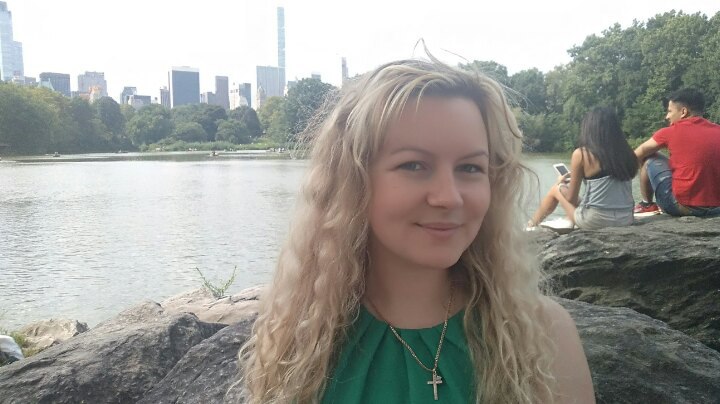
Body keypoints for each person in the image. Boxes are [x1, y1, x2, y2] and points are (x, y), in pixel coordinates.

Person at [235, 56, 595, 403]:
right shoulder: (299, 339)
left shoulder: (544, 337)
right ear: (353, 182)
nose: (449, 197)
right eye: (414, 165)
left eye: (470, 168)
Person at [528, 107, 638, 230]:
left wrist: (561, 182)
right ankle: (567, 220)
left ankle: (530, 226)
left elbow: (571, 199)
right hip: (626, 218)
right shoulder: (628, 154)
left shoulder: (581, 154)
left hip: (594, 221)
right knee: (586, 201)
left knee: (556, 189)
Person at [634, 88, 720, 216]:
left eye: (670, 111)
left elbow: (637, 154)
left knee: (649, 157)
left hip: (683, 206)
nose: (667, 116)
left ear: (683, 112)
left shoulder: (669, 132)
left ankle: (647, 204)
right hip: (717, 208)